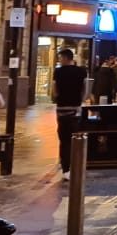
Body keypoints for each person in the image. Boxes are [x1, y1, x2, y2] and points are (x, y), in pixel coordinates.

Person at [51, 48, 82, 183]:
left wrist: (57, 98)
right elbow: (85, 89)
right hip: (75, 109)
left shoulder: (58, 72)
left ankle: (65, 168)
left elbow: (54, 90)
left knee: (64, 140)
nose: (59, 60)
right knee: (76, 139)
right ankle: (75, 166)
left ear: (65, 58)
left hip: (62, 109)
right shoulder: (81, 71)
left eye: (60, 57)